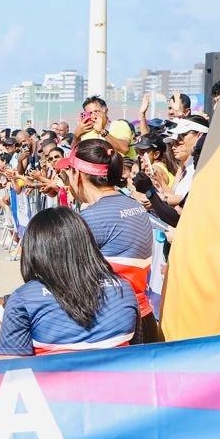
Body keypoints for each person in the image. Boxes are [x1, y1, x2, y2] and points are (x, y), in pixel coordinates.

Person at [0, 207, 144, 439]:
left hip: (52, 432)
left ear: (37, 250)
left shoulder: (24, 300)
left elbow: (11, 376)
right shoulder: (125, 292)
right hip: (122, 430)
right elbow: (137, 357)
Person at [55, 138, 157, 344]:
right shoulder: (135, 206)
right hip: (144, 318)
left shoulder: (89, 219)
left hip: (113, 327)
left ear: (79, 175)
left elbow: (64, 280)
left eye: (68, 172)